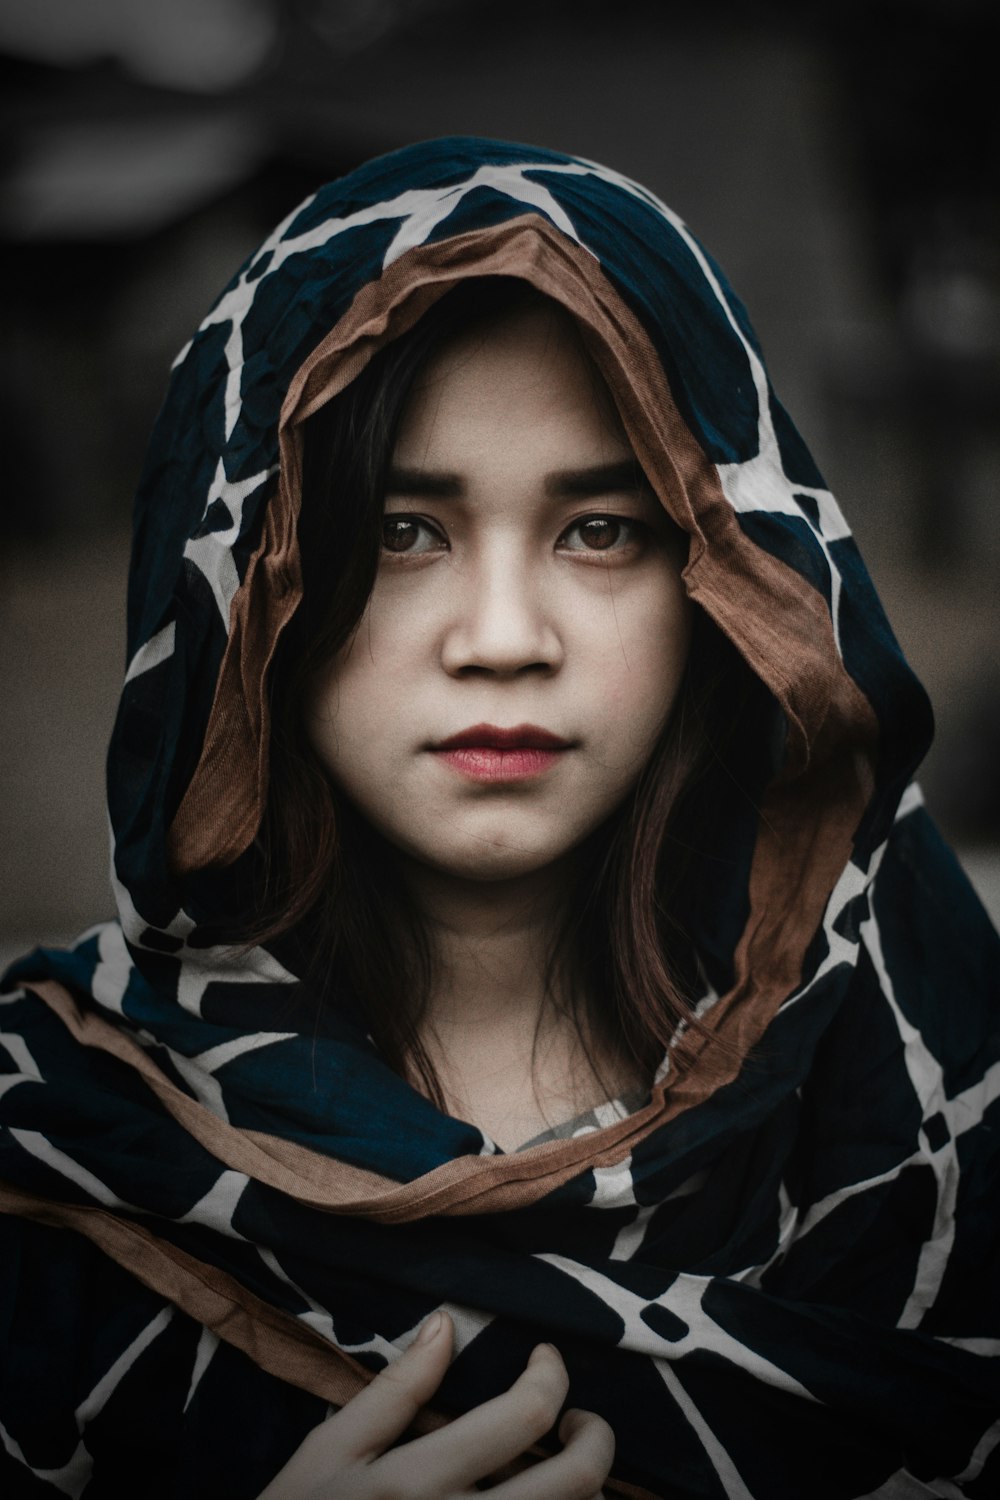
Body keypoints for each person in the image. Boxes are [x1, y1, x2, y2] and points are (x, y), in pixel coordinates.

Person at [1, 137, 997, 1500]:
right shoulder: (58, 1143)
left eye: (601, 531)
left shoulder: (929, 1091)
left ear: (728, 581)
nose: (505, 638)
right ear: (242, 594)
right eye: (405, 531)